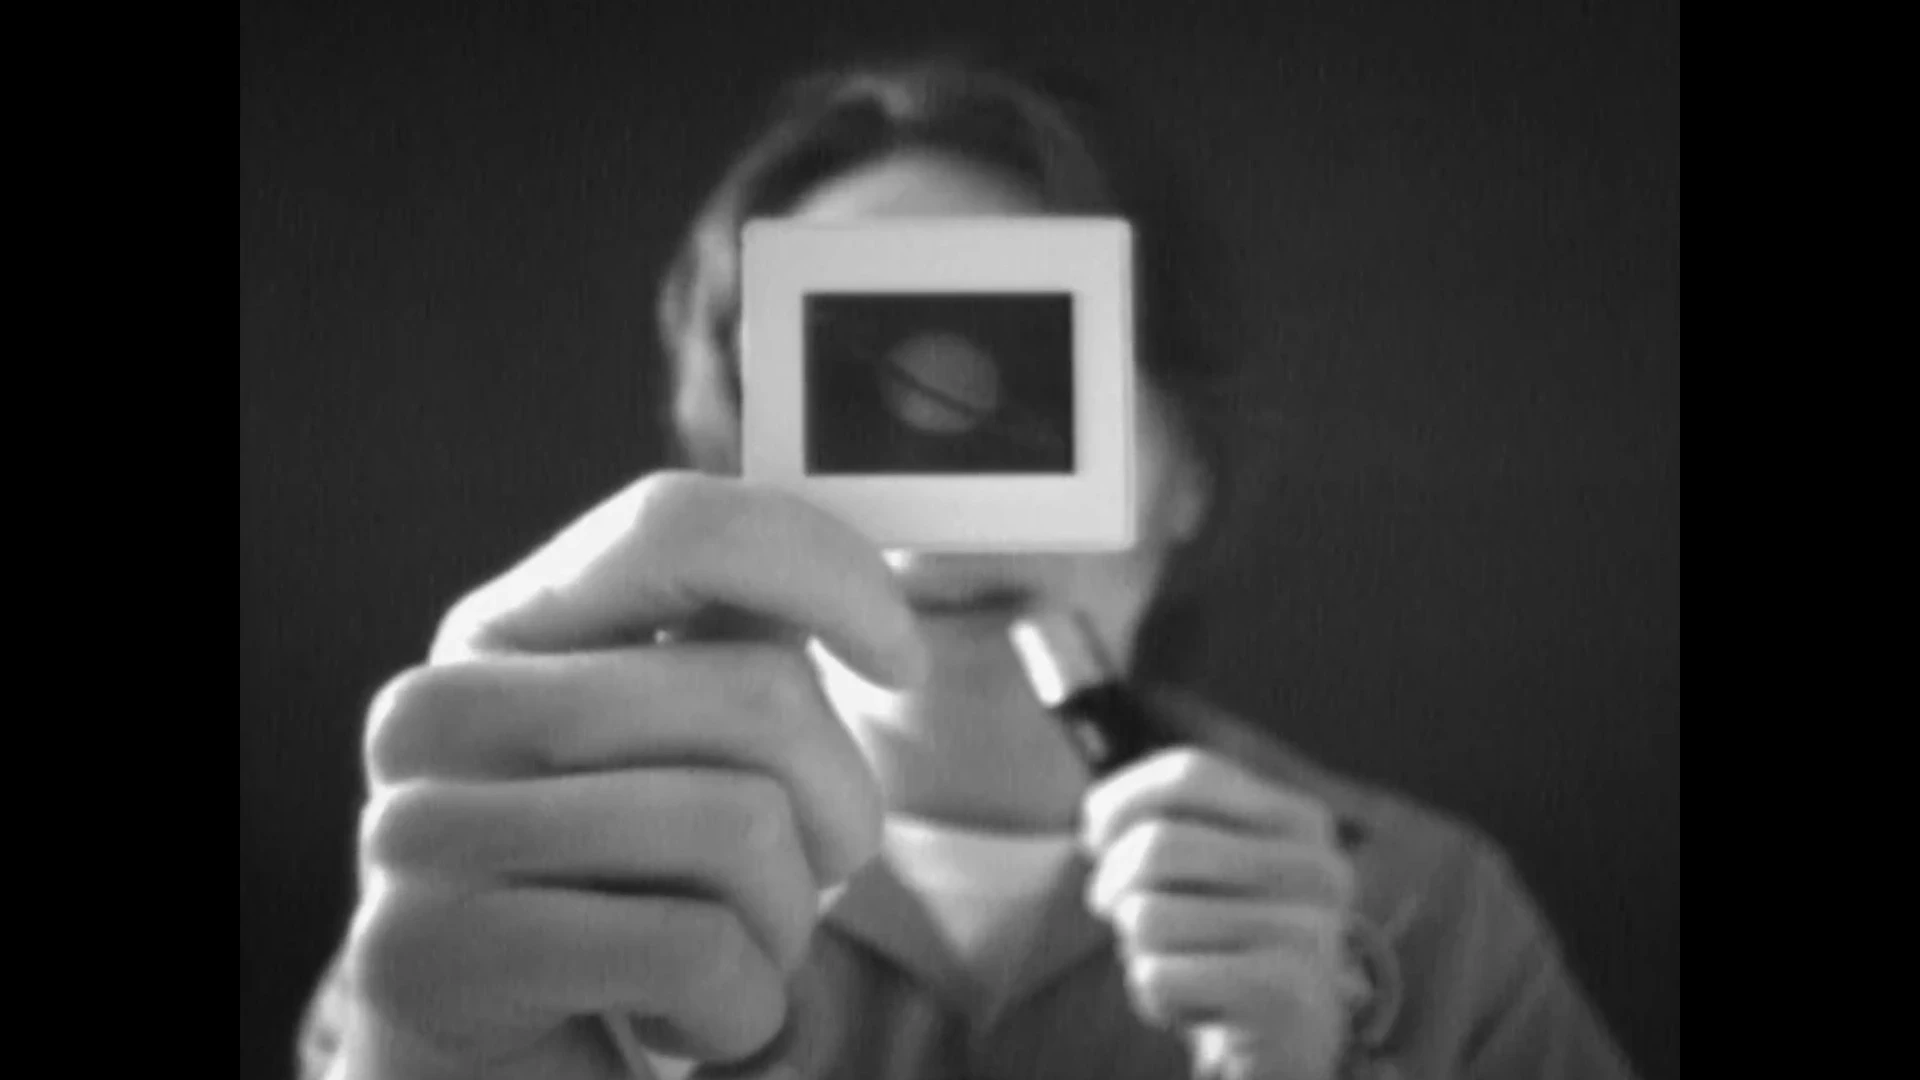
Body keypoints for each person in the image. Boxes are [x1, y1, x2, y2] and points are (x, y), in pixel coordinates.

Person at [296, 46, 1641, 1080]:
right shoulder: (526, 890)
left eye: (1029, 394)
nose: (941, 524)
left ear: (1190, 474)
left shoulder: (1435, 913)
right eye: (853, 398)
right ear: (742, 479)